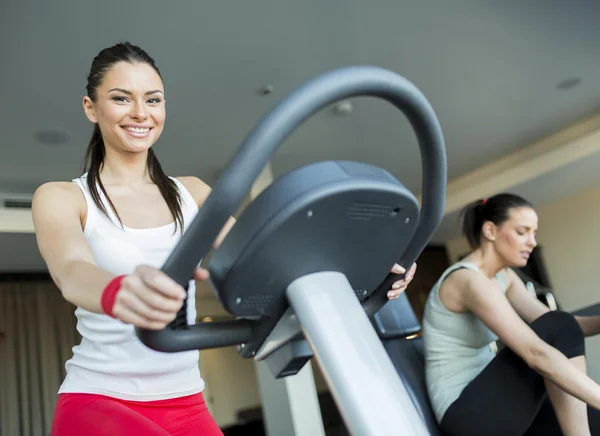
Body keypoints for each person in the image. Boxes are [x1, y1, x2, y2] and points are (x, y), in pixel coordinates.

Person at [32, 41, 414, 436]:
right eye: (120, 98)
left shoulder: (192, 194)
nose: (141, 113)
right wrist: (120, 291)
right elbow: (72, 271)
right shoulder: (62, 197)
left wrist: (370, 265)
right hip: (100, 400)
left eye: (153, 99)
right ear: (90, 108)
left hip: (186, 402)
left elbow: (270, 260)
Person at [421, 193, 600, 436]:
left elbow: (562, 326)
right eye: (522, 232)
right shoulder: (467, 280)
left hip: (494, 400)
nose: (532, 242)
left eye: (534, 233)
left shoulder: (503, 276)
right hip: (465, 413)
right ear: (490, 231)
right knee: (558, 328)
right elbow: (536, 353)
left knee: (595, 419)